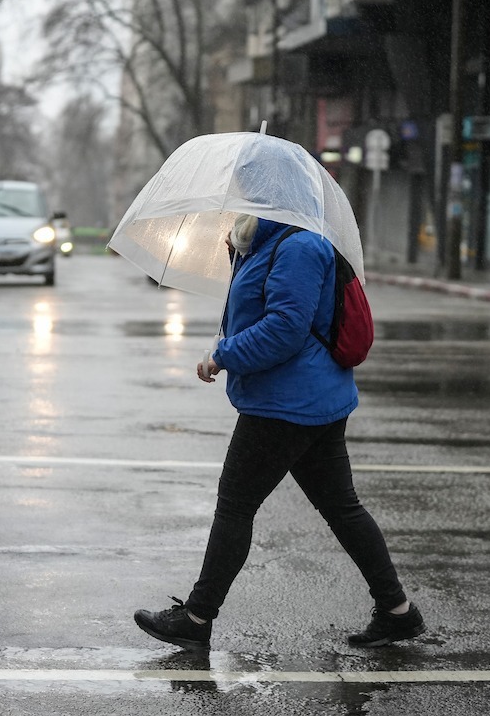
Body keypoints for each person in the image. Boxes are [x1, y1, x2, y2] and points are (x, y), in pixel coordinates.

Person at [134, 214, 425, 651]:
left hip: (288, 403)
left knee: (235, 505)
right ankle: (397, 611)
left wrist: (223, 356)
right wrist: (238, 254)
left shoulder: (301, 247)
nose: (238, 205)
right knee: (342, 509)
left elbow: (285, 329)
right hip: (307, 398)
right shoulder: (266, 243)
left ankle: (196, 618)